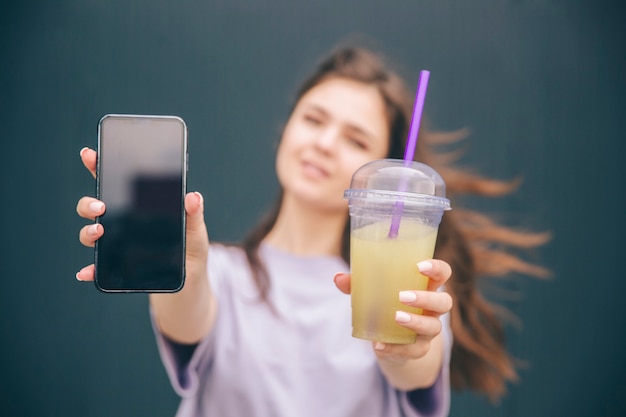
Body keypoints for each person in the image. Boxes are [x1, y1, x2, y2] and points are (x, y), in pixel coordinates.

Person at [76, 44, 548, 416]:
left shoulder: (400, 289)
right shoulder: (219, 272)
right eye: (314, 119)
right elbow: (186, 312)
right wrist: (176, 261)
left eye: (355, 138)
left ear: (386, 173)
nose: (323, 143)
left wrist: (408, 345)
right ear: (287, 130)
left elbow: (415, 370)